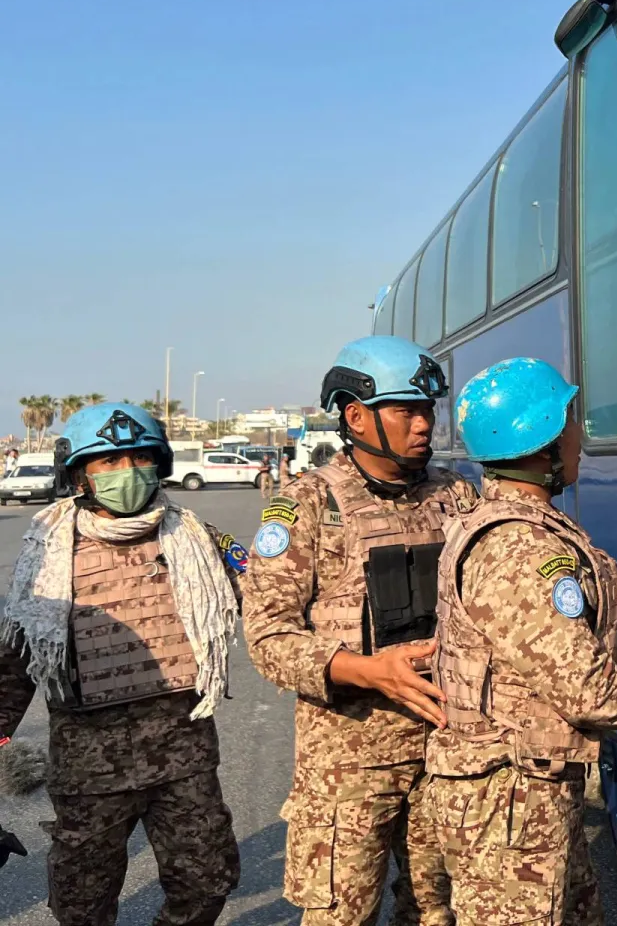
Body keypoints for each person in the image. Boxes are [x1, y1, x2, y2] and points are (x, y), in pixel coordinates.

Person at [421, 357, 617, 926]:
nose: (576, 439)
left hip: (526, 791)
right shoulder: (521, 550)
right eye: (567, 424)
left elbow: (556, 654)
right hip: (509, 805)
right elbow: (589, 691)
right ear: (539, 441)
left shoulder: (521, 527)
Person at [242, 336, 479, 926]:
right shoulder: (305, 506)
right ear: (355, 416)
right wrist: (367, 670)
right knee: (341, 915)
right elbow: (269, 637)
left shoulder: (456, 494)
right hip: (348, 763)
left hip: (445, 745)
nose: (424, 424)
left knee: (436, 909)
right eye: (406, 410)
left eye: (428, 410)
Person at [0, 403, 243, 925]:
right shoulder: (48, 554)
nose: (125, 472)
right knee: (82, 904)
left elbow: (273, 602)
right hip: (90, 767)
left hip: (183, 757)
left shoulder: (198, 540)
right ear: (79, 475)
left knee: (207, 883)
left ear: (160, 463)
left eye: (137, 458)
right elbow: (17, 658)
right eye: (107, 463)